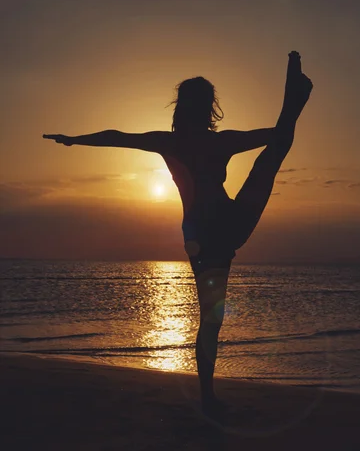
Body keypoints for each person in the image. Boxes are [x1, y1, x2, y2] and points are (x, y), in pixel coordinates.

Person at [43, 51, 313, 415]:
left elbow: (117, 136)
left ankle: (207, 398)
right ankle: (293, 99)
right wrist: (76, 139)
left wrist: (75, 139)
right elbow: (276, 136)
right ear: (207, 108)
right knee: (275, 153)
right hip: (228, 225)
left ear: (181, 107)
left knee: (211, 321)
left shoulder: (170, 142)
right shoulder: (219, 142)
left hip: (205, 234)